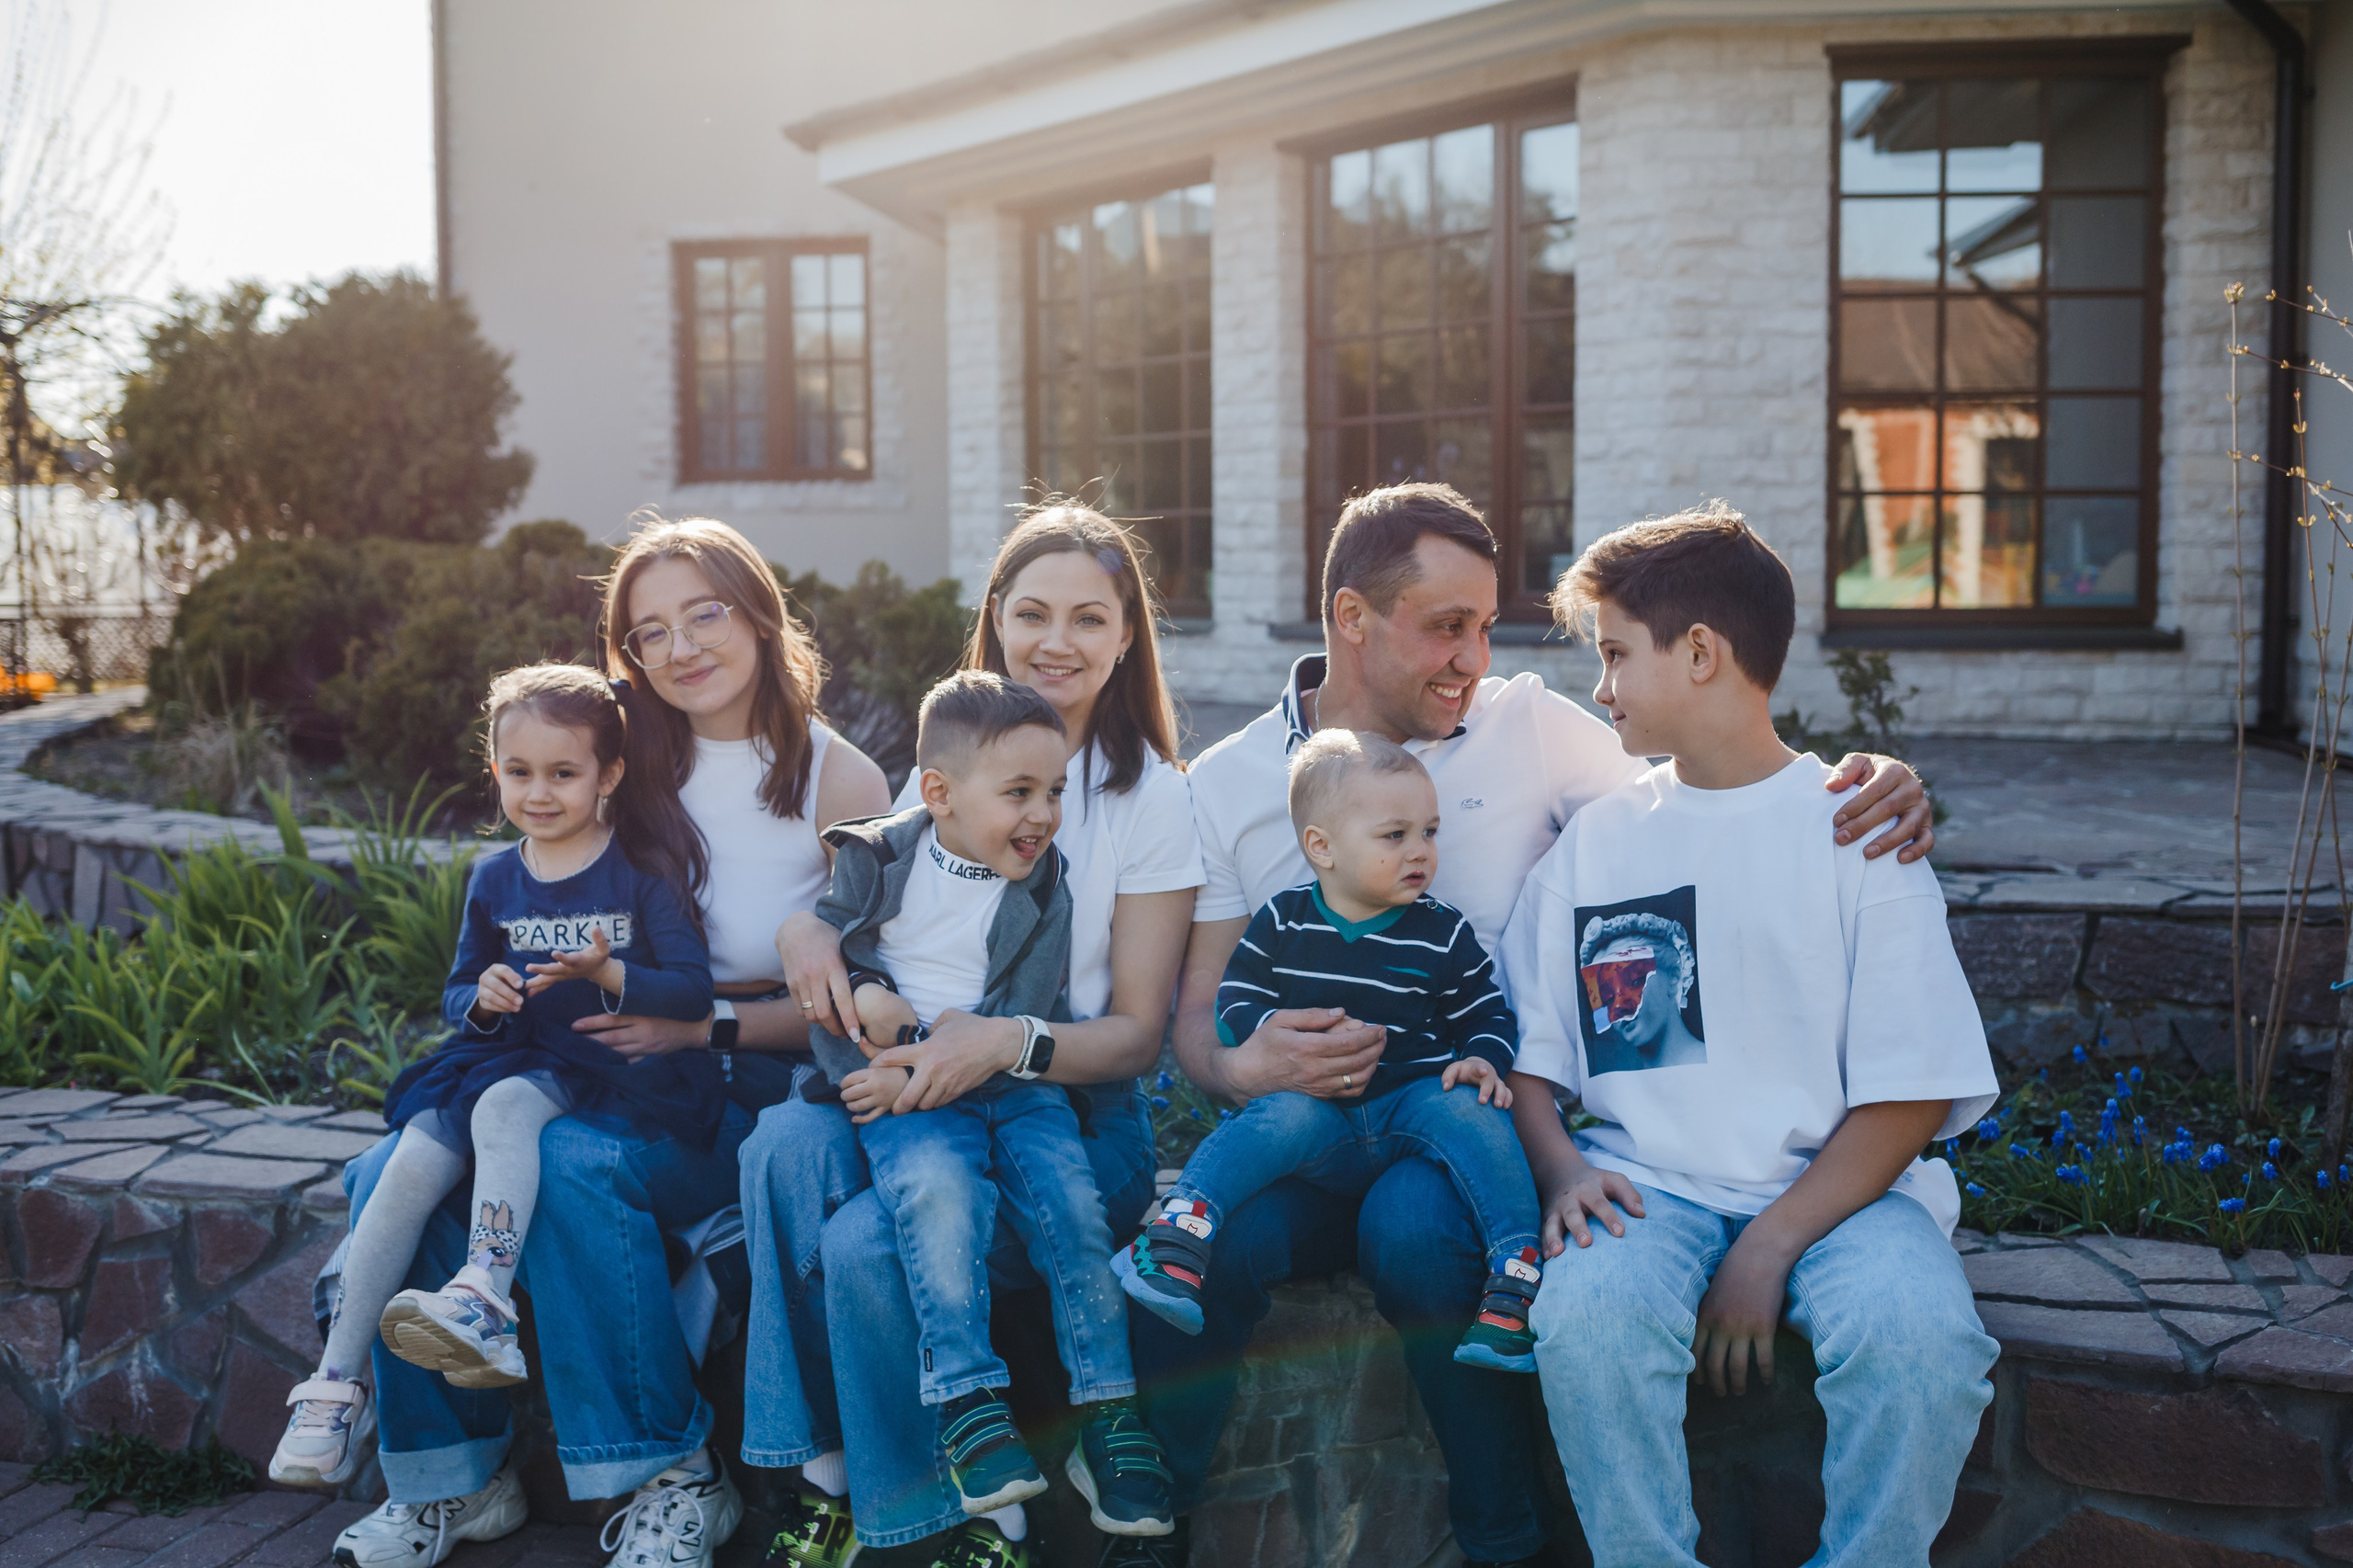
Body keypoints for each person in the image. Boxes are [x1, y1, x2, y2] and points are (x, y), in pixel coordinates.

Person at [1139, 481, 1935, 1568]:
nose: (1475, 657)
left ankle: (1499, 1535)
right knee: (1208, 1238)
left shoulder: (1536, 731)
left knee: (1420, 1234)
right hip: (1311, 1131)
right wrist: (1241, 1060)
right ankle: (1150, 1519)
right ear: (1351, 621)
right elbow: (1194, 1018)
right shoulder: (1229, 783)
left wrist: (1875, 779)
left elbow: (1714, 780)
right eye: (1445, 626)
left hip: (1458, 1118)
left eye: (1485, 627)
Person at [328, 517, 891, 1568]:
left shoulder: (837, 779)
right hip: (583, 1052)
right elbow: (531, 885)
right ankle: (454, 1481)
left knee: (576, 1168)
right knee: (386, 1175)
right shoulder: (629, 744)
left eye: (704, 614)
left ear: (759, 612)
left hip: (748, 1064)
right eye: (648, 632)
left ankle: (671, 1471)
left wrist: (701, 1020)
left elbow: (858, 997)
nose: (680, 648)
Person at [1501, 500, 2000, 1566]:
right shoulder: (1597, 844)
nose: (1598, 688)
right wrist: (1556, 1171)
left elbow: (1912, 1091)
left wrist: (1771, 1242)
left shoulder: (1854, 829)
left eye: (1615, 654)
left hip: (1846, 1197)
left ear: (1699, 653)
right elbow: (1530, 1058)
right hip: (1645, 1189)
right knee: (1586, 1324)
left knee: (1922, 1344)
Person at [751, 505, 1199, 1568]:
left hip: (1068, 1101)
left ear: (1127, 635)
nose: (1058, 639)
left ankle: (944, 1522)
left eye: (1089, 617)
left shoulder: (1152, 799)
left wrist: (999, 1044)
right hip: (924, 1075)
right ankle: (810, 1462)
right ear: (994, 620)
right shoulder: (950, 759)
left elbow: (1135, 1037)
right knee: (777, 1145)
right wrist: (806, 924)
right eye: (1031, 611)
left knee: (864, 1244)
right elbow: (871, 900)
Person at [271, 664, 716, 1488]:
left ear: (608, 775)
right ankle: (333, 1386)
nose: (538, 793)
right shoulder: (494, 879)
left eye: (562, 773)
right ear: (495, 772)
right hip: (502, 1051)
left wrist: (611, 971)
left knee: (509, 1106)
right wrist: (484, 996)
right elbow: (457, 988)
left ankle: (484, 1292)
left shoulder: (639, 874)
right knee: (408, 1160)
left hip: (598, 1067)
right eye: (518, 773)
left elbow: (692, 988)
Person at [804, 670, 1176, 1543]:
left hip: (1016, 1086)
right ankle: (969, 1403)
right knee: (939, 1200)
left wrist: (972, 1051)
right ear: (938, 794)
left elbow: (1028, 1014)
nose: (1043, 813)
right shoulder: (876, 860)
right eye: (1019, 793)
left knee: (1073, 1213)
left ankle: (1108, 1413)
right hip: (913, 1095)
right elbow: (829, 967)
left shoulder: (1046, 884)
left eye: (1052, 792)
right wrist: (869, 1004)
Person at [1117, 730, 1541, 1375]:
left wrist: (1482, 1057)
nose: (1420, 852)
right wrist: (1265, 1036)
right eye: (1394, 836)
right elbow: (1237, 995)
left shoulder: (1442, 930)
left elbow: (1485, 1010)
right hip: (1319, 1114)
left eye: (1429, 832)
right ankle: (1182, 1230)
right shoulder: (1285, 922)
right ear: (1322, 847)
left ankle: (1514, 1279)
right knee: (1277, 1117)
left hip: (1409, 1107)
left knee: (1473, 1110)